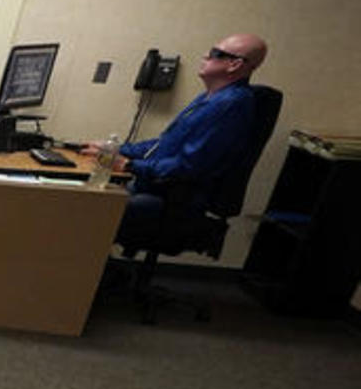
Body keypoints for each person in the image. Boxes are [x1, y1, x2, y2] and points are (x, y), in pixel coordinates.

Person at [89, 33, 268, 251]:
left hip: (175, 201)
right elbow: (164, 144)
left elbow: (187, 166)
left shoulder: (230, 105)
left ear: (235, 64)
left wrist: (128, 165)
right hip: (158, 189)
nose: (205, 56)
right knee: (83, 196)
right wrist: (116, 149)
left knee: (90, 208)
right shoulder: (211, 97)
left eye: (214, 53)